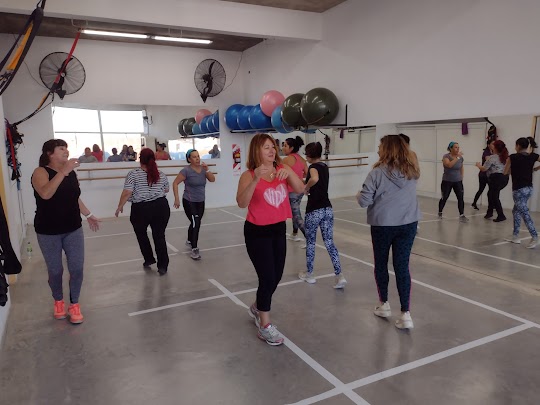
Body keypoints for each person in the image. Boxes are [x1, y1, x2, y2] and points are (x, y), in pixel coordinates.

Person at [236, 133, 304, 346]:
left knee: (276, 276)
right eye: (266, 147)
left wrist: (289, 172)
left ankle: (257, 306)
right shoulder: (248, 175)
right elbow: (241, 203)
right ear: (256, 151)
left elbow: (300, 189)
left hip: (278, 229)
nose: (272, 150)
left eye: (273, 146)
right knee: (266, 277)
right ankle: (265, 325)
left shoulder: (282, 170)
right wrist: (256, 178)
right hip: (257, 232)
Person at [31, 139, 100, 324]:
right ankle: (58, 301)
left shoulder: (70, 173)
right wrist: (63, 172)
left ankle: (74, 303)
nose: (66, 151)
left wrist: (89, 214)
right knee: (55, 271)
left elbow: (74, 197)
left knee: (77, 268)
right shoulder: (40, 172)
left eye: (66, 148)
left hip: (73, 228)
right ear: (49, 153)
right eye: (61, 148)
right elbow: (46, 194)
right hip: (48, 231)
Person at [356, 135, 420, 330]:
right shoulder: (412, 171)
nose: (378, 149)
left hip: (383, 225)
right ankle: (406, 313)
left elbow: (364, 201)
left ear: (387, 149)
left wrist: (359, 194)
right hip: (408, 224)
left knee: (381, 264)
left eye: (380, 146)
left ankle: (384, 304)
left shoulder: (376, 173)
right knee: (402, 266)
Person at [299, 142, 347, 289]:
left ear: (309, 155)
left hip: (314, 210)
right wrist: (305, 181)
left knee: (311, 242)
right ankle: (339, 275)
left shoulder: (313, 167)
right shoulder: (324, 166)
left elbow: (314, 179)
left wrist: (306, 187)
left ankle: (310, 274)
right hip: (327, 209)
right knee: (329, 242)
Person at [115, 148, 171, 275]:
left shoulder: (133, 174)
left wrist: (120, 206)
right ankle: (163, 266)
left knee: (141, 234)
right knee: (159, 236)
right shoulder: (160, 174)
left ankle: (149, 258)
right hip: (160, 206)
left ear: (140, 159)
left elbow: (127, 192)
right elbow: (166, 189)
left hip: (140, 209)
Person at [173, 149, 215, 260]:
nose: (197, 159)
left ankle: (189, 240)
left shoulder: (203, 169)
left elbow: (212, 180)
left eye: (198, 156)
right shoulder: (186, 171)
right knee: (196, 222)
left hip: (200, 201)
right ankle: (194, 249)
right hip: (189, 201)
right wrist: (176, 199)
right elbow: (175, 183)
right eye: (194, 157)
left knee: (195, 222)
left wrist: (207, 170)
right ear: (189, 159)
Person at [503, 137, 540, 248]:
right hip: (529, 189)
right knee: (516, 211)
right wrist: (536, 169)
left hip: (519, 190)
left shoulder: (512, 157)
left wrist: (512, 168)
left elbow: (505, 172)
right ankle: (515, 236)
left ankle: (535, 237)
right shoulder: (533, 156)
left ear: (518, 146)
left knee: (524, 213)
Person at [282, 136, 308, 243]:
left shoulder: (286, 160)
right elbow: (307, 174)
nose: (283, 148)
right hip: (300, 191)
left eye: (285, 146)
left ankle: (309, 238)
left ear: (291, 148)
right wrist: (299, 178)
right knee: (295, 213)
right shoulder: (302, 159)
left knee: (296, 215)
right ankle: (294, 233)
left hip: (291, 192)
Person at [475, 140, 509, 222]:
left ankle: (501, 215)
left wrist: (478, 165)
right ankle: (489, 213)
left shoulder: (492, 157)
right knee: (491, 194)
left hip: (496, 178)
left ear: (496, 148)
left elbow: (484, 169)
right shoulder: (506, 157)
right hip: (504, 178)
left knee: (494, 196)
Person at [438, 141, 468, 222]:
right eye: (455, 147)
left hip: (458, 181)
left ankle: (462, 215)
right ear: (450, 148)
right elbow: (449, 165)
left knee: (460, 198)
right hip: (447, 181)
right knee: (444, 197)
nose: (457, 149)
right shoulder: (446, 156)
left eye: (458, 147)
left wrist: (461, 177)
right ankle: (440, 212)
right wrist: (457, 157)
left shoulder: (460, 158)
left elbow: (461, 167)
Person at [472, 139, 494, 210]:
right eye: (492, 144)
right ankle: (474, 203)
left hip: (489, 175)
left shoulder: (493, 152)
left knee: (491, 190)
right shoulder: (486, 152)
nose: (494, 145)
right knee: (481, 189)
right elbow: (488, 159)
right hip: (483, 174)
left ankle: (492, 205)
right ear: (488, 145)